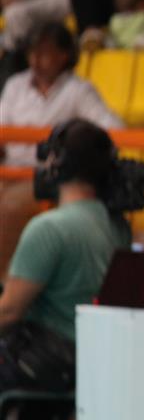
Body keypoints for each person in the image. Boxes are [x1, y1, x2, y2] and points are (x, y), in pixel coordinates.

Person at [0, 119, 133, 420]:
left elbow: (10, 309)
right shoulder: (118, 227)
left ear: (58, 165)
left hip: (48, 359)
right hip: (89, 358)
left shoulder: (49, 229)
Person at [0, 23, 122, 277]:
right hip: (7, 171)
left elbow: (113, 129)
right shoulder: (15, 85)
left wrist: (74, 147)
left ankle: (8, 284)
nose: (35, 60)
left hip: (45, 176)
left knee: (8, 208)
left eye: (44, 53)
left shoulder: (78, 91)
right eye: (32, 53)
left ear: (63, 55)